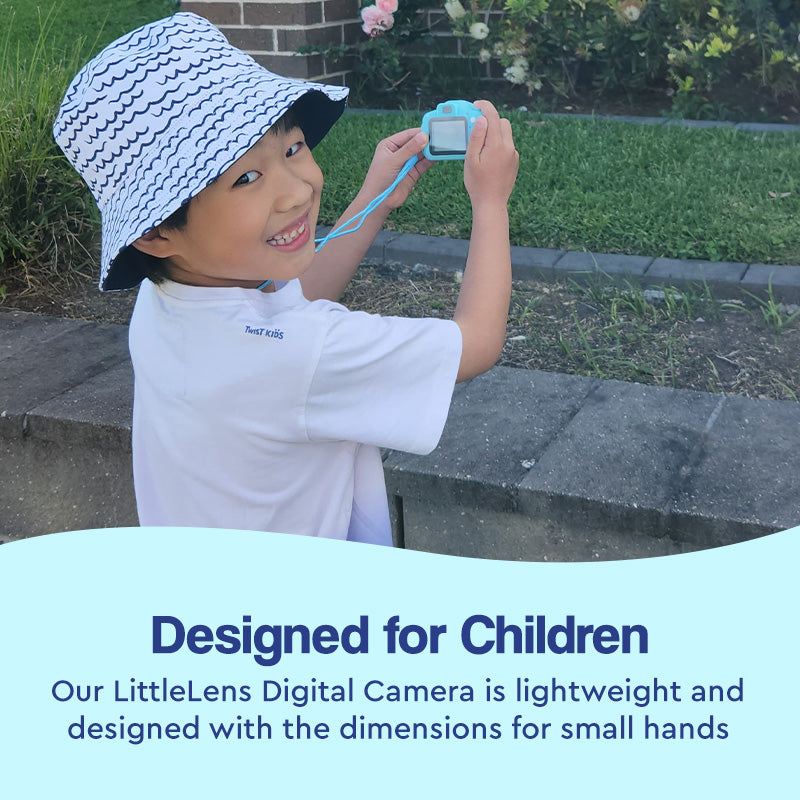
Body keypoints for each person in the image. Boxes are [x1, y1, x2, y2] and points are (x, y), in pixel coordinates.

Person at [52, 11, 519, 545]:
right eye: (247, 177)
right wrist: (491, 200)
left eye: (293, 147)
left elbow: (297, 297)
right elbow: (477, 343)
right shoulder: (299, 354)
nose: (297, 190)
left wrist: (376, 196)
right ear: (157, 233)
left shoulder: (168, 299)